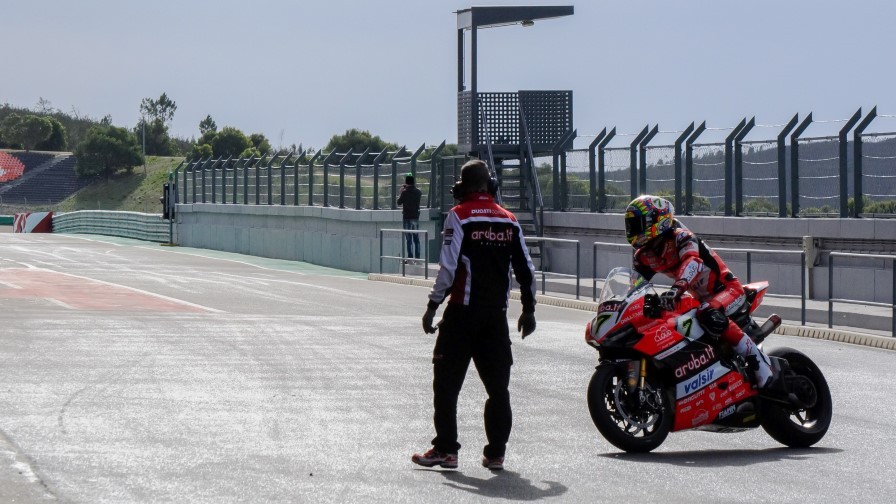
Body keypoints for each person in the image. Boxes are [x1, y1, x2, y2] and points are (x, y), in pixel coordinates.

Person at [412, 159, 537, 471]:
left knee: (446, 385)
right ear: (489, 186)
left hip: (462, 316)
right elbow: (527, 270)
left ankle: (446, 450)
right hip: (496, 318)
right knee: (498, 389)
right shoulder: (510, 220)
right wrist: (529, 309)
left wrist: (432, 305)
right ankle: (496, 453)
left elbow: (448, 269)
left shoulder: (459, 216)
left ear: (465, 187)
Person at [624, 195, 809, 401]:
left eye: (635, 224)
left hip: (728, 290)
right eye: (629, 224)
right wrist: (633, 304)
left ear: (656, 220)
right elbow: (636, 285)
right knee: (670, 320)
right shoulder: (642, 255)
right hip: (699, 298)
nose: (632, 230)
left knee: (707, 312)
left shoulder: (681, 237)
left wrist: (676, 289)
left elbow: (692, 262)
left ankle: (761, 367)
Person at [397, 174, 422, 261]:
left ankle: (410, 257)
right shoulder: (418, 192)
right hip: (415, 217)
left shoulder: (404, 192)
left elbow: (399, 202)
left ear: (406, 183)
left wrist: (401, 192)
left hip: (407, 217)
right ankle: (418, 258)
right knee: (416, 238)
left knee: (408, 239)